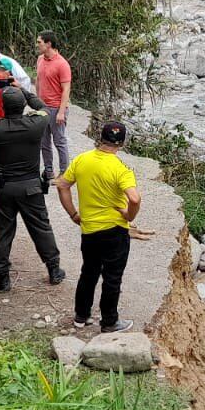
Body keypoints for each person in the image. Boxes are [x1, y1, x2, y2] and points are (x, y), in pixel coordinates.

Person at [0, 82, 66, 292]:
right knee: (41, 228)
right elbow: (44, 108)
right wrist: (25, 90)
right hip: (31, 187)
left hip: (3, 189)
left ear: (2, 107)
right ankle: (54, 269)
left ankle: (3, 278)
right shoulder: (35, 124)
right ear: (23, 106)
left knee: (1, 232)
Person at [57, 121, 141, 333]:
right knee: (112, 277)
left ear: (100, 138)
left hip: (90, 229)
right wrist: (129, 215)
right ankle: (110, 321)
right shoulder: (121, 169)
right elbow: (135, 198)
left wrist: (73, 214)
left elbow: (63, 185)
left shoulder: (81, 160)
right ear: (121, 143)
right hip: (115, 230)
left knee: (89, 272)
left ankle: (81, 316)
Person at [35, 30, 72, 181]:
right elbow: (38, 80)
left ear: (48, 43)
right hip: (43, 107)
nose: (37, 45)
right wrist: (37, 103)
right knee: (44, 142)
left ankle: (65, 173)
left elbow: (66, 89)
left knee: (59, 142)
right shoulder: (40, 59)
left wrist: (61, 112)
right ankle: (48, 171)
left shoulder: (62, 64)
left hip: (56, 107)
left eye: (39, 42)